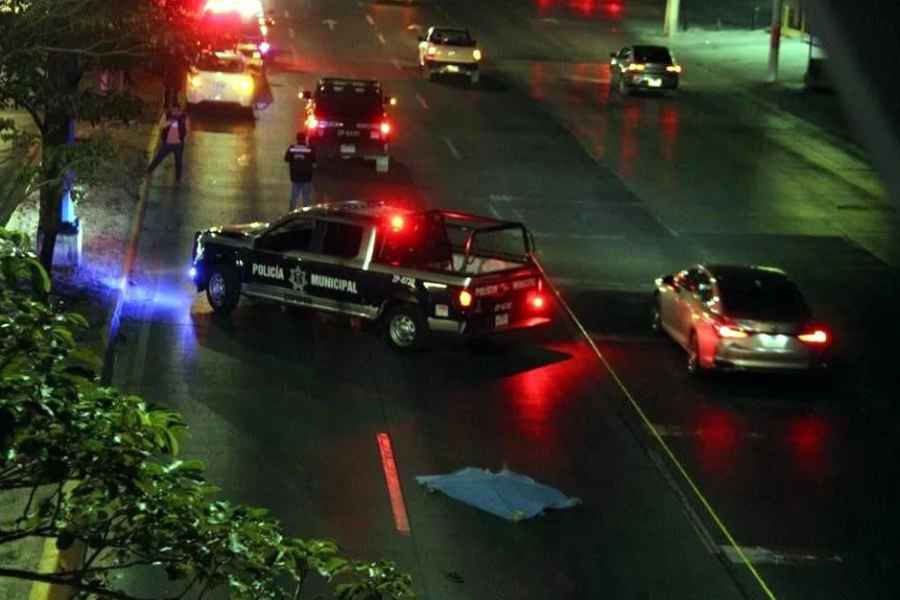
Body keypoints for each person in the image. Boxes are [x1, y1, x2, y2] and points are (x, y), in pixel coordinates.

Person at [147, 105, 188, 183]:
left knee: (178, 161)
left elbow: (187, 128)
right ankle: (148, 171)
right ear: (171, 110)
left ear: (180, 110)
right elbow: (161, 126)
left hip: (178, 144)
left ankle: (178, 179)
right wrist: (170, 121)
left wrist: (184, 140)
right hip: (167, 143)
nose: (175, 112)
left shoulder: (184, 117)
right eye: (173, 110)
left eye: (177, 111)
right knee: (158, 158)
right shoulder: (167, 115)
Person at [284, 133, 316, 210]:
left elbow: (286, 159)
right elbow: (314, 162)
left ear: (297, 139)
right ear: (305, 139)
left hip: (295, 177)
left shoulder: (292, 148)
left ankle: (291, 214)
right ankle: (306, 216)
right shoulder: (310, 149)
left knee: (294, 198)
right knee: (306, 199)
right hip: (307, 178)